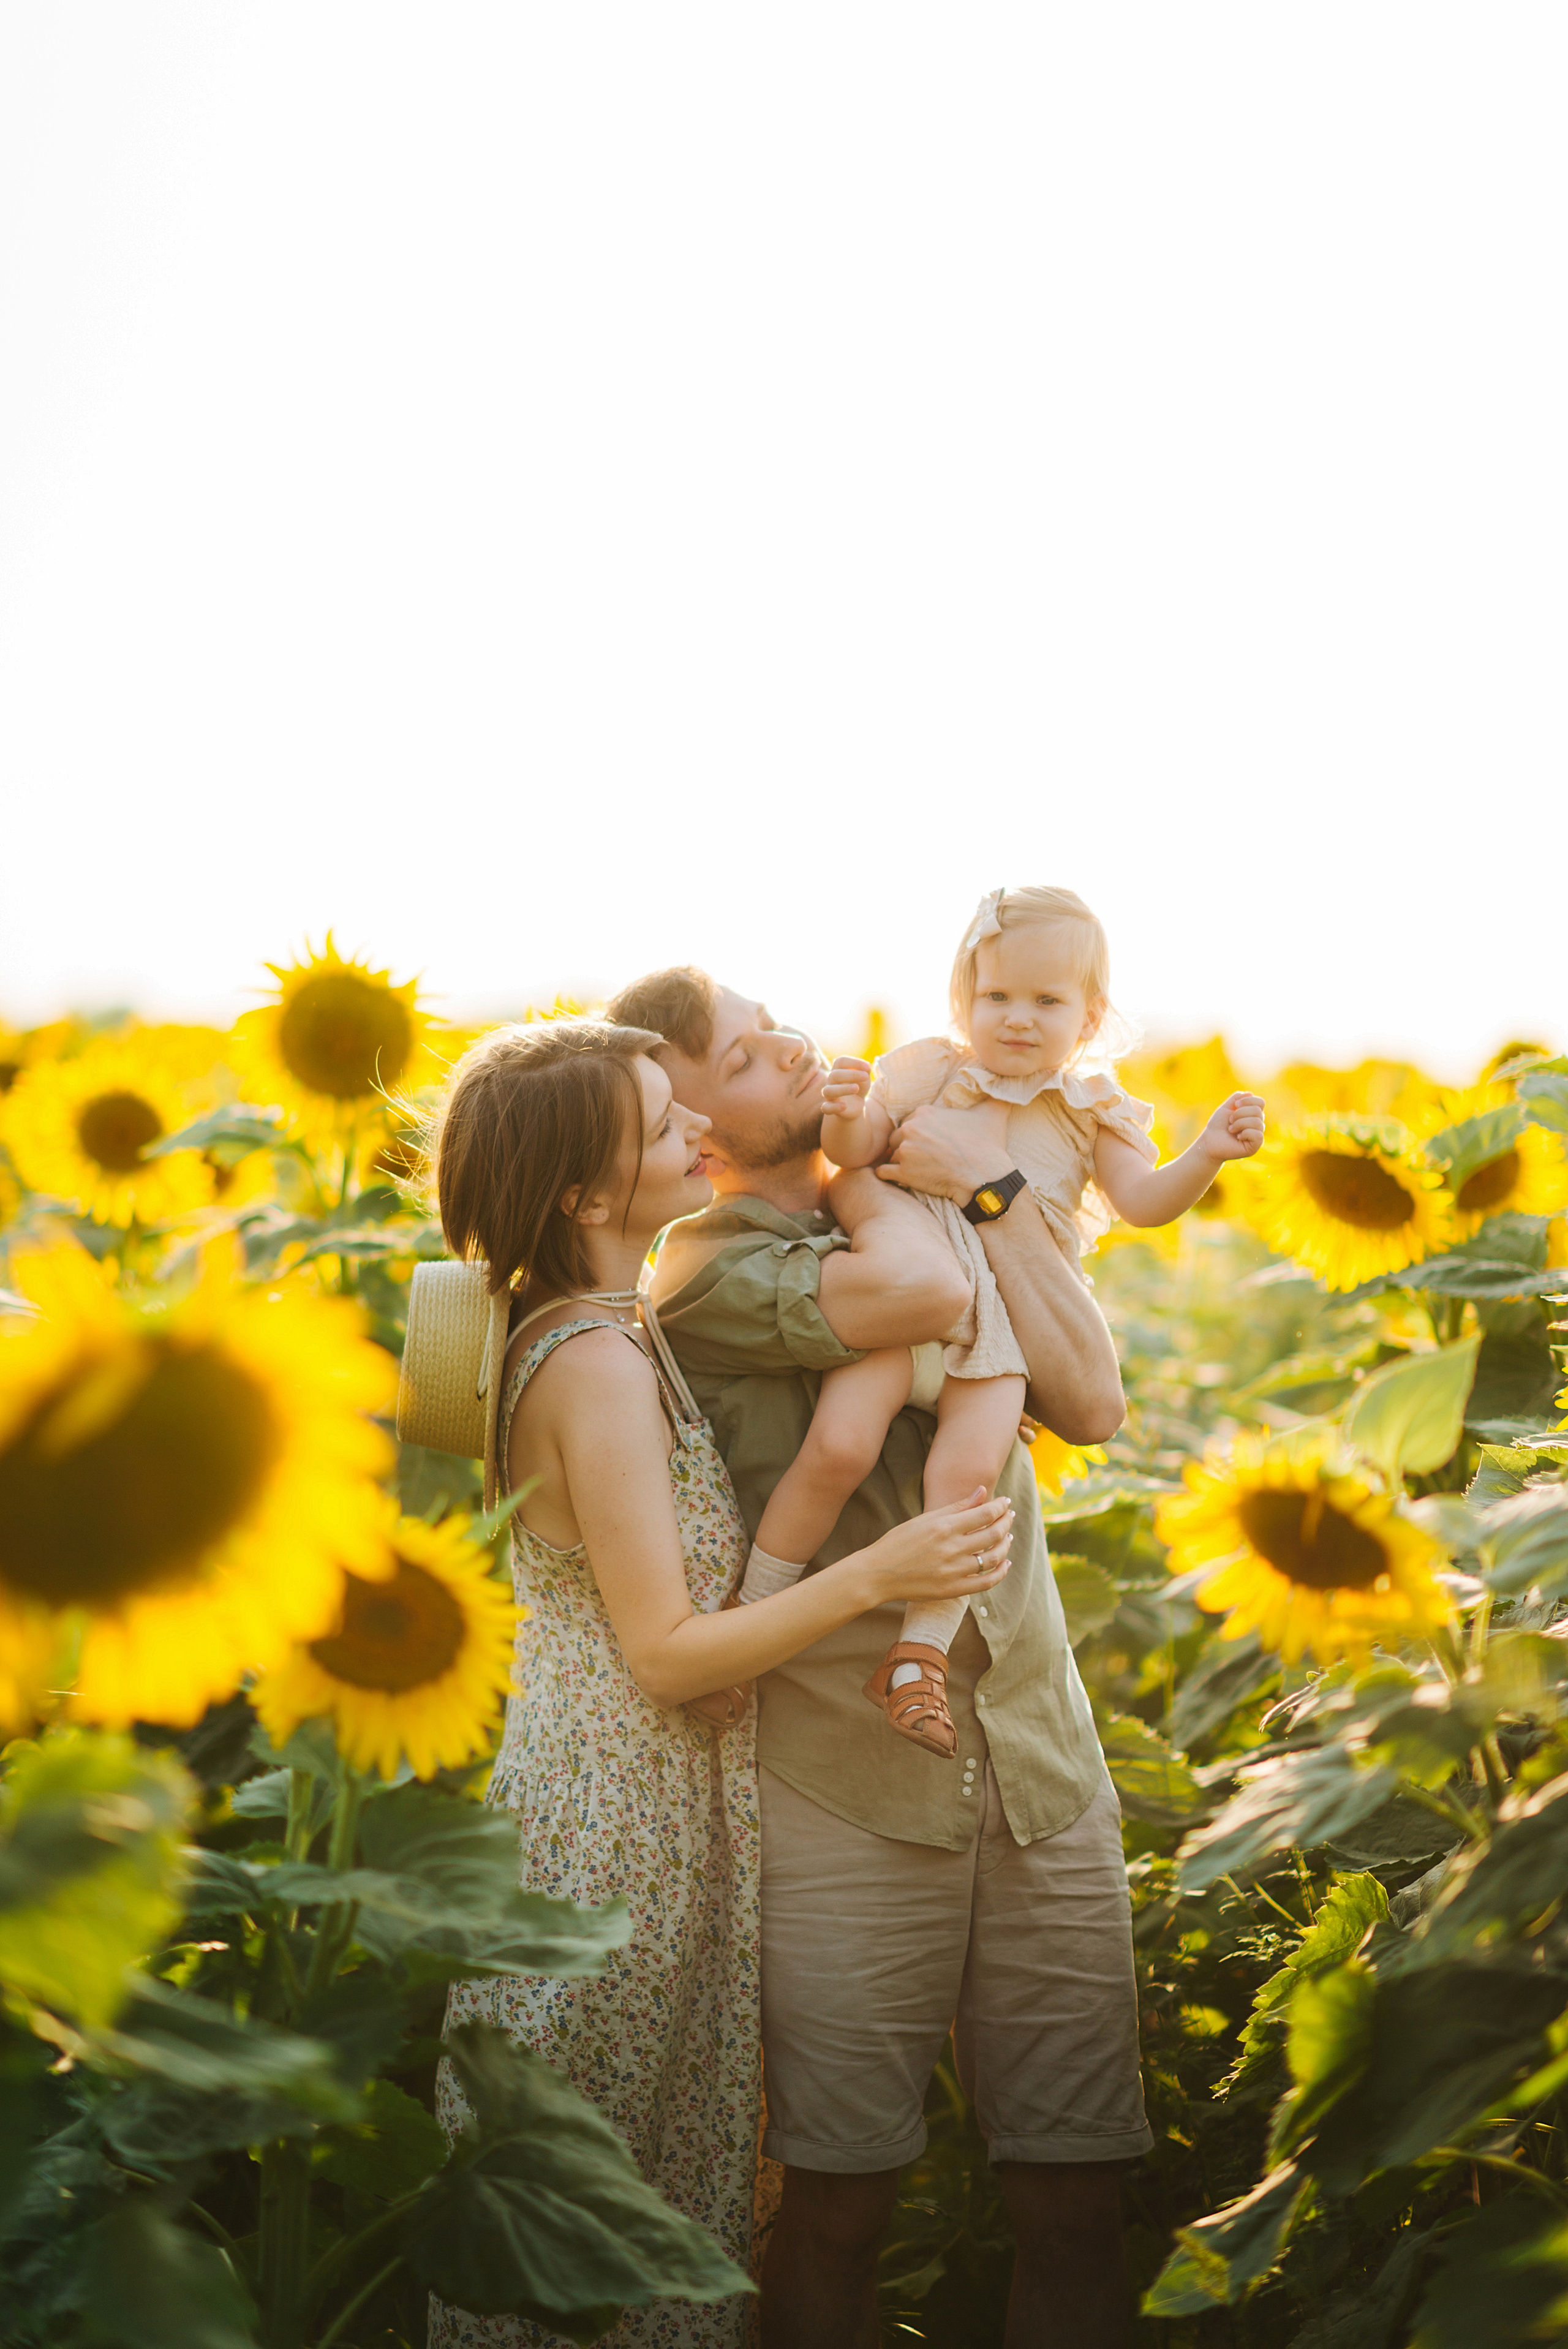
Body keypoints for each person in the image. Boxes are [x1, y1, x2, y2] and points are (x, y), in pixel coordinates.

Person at [424, 1017, 1014, 2349]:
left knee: (643, 2210)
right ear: (584, 1194)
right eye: (660, 1124)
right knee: (583, 2227)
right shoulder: (590, 1361)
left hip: (651, 1813)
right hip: (610, 1835)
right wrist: (886, 1571)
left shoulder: (610, 1331)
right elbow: (666, 1651)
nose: (699, 1126)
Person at [604, 965, 1153, 2349]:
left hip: (1036, 1753)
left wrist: (990, 1188)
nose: (790, 1040)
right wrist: (944, 1185)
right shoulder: (712, 1272)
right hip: (844, 1779)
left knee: (1079, 2194)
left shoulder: (947, 1192)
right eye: (741, 1052)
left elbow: (1088, 1399)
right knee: (835, 2207)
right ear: (691, 1119)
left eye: (769, 1017)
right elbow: (911, 1300)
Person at [744, 884, 1266, 1757]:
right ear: (964, 998)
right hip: (911, 1302)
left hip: (1002, 1337)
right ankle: (753, 1614)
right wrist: (845, 1109)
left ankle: (918, 1657)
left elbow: (1143, 1204)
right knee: (837, 1447)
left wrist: (1205, 1153)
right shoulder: (930, 1072)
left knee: (966, 1485)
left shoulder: (1090, 1109)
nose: (1018, 1019)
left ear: (1091, 1015)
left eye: (1047, 1001)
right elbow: (859, 1149)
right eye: (997, 998)